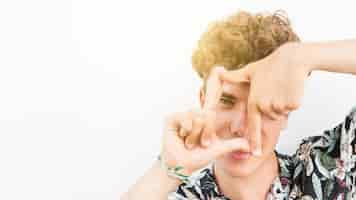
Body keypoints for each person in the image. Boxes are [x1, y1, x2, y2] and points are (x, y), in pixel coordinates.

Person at [121, 10, 356, 200]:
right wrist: (168, 169)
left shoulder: (330, 168)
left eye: (261, 106)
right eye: (226, 101)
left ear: (286, 113)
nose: (241, 127)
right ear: (204, 101)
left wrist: (302, 56)